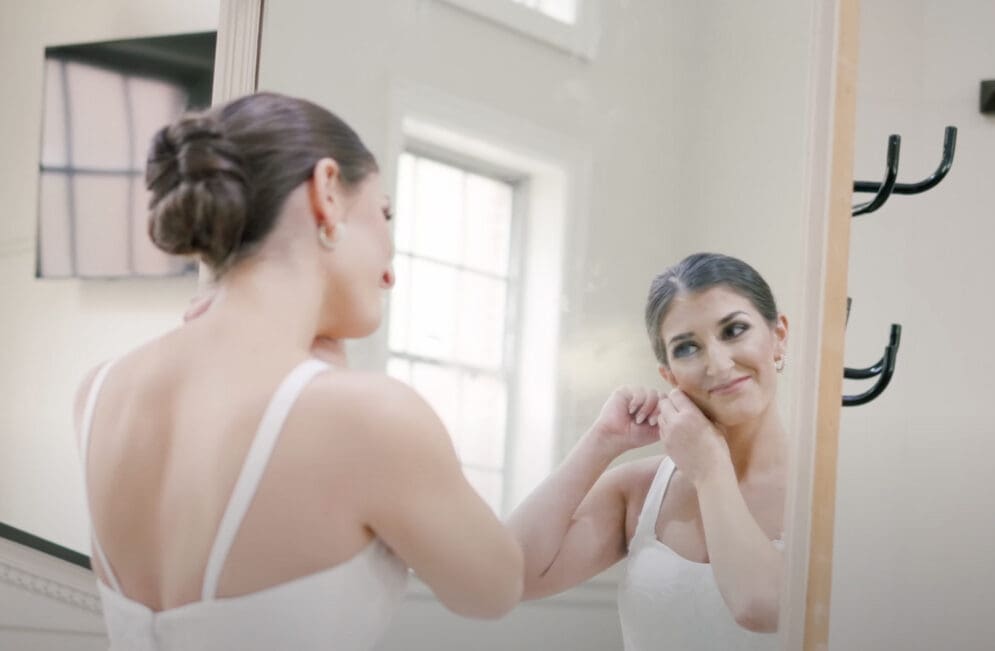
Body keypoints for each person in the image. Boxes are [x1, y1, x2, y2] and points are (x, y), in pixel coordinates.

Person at [72, 92, 523, 651]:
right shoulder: (369, 419)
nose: (390, 271)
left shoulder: (99, 392)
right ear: (327, 190)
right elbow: (495, 590)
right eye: (384, 214)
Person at [508, 252, 788, 650]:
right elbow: (508, 577)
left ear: (779, 336)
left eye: (734, 330)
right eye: (688, 348)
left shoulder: (827, 496)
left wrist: (710, 469)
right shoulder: (640, 490)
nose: (719, 364)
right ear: (669, 375)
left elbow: (759, 606)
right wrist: (602, 440)